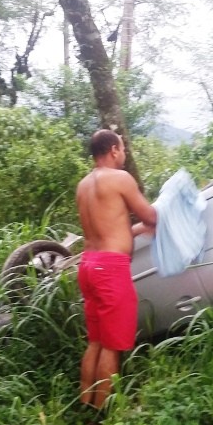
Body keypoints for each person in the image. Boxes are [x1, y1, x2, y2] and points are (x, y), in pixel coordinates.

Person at [76, 129, 157, 410]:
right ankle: (102, 413)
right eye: (122, 149)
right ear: (113, 150)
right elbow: (150, 215)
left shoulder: (84, 185)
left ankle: (85, 405)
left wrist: (136, 230)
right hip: (111, 270)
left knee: (96, 341)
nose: (123, 154)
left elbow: (108, 229)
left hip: (88, 266)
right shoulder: (120, 178)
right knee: (111, 344)